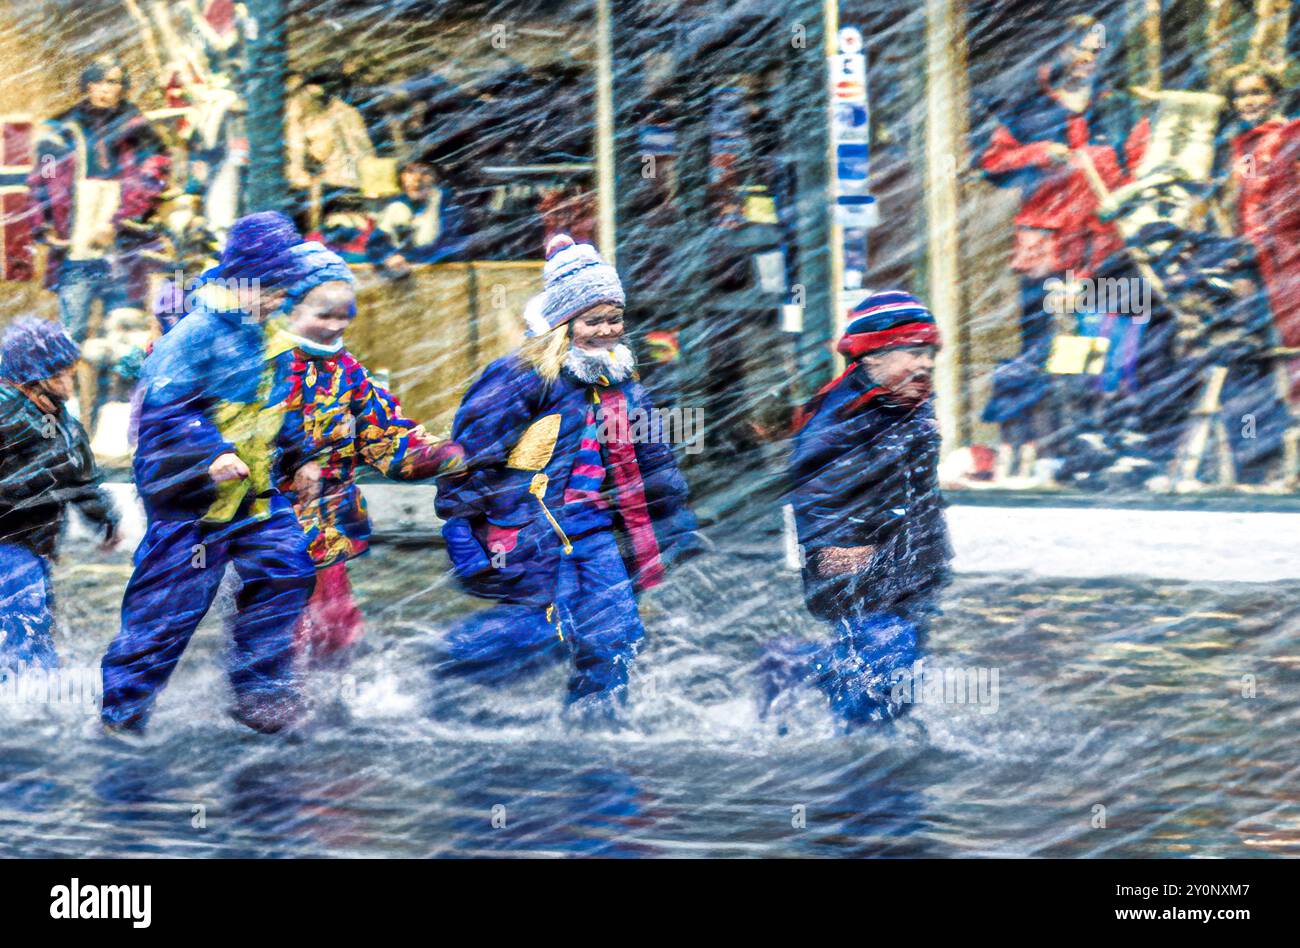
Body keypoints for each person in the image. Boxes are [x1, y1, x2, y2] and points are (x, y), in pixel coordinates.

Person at [434, 234, 700, 707]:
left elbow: (652, 458)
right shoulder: (522, 376)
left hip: (595, 528)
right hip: (532, 528)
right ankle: (449, 674)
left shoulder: (622, 382)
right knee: (540, 628)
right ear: (562, 322)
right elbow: (473, 454)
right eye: (592, 320)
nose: (606, 331)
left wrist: (674, 519)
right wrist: (468, 525)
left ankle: (596, 716)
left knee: (615, 629)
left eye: (614, 319)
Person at [100, 211, 322, 734]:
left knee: (287, 571)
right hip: (192, 505)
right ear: (240, 280)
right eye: (270, 288)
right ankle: (123, 713)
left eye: (283, 289)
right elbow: (163, 409)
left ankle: (261, 695)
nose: (278, 299)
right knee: (167, 612)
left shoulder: (267, 337)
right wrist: (209, 452)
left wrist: (301, 456)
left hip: (255, 498)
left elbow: (276, 411)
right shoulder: (195, 335)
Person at [266, 244, 465, 665]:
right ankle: (274, 696)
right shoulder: (266, 366)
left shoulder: (348, 371)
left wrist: (438, 455)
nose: (336, 325)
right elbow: (250, 436)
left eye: (344, 314)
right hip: (269, 521)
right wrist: (291, 461)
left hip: (329, 522)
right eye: (323, 314)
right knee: (281, 621)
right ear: (288, 308)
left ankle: (324, 699)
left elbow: (383, 434)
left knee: (334, 624)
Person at [770, 291, 953, 729]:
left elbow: (920, 489)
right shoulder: (841, 417)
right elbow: (815, 491)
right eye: (911, 352)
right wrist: (834, 545)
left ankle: (803, 673)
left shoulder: (911, 405)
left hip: (911, 557)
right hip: (856, 557)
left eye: (928, 352)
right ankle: (861, 748)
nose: (925, 364)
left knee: (902, 665)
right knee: (883, 657)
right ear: (872, 357)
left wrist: (930, 551)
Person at [975, 14, 1149, 469]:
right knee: (1055, 342)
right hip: (1049, 250)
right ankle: (1061, 442)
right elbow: (992, 162)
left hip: (1112, 245)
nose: (1088, 57)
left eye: (1095, 48)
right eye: (1080, 47)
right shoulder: (1030, 107)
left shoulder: (1119, 106)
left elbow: (1144, 165)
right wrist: (1038, 154)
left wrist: (1126, 196)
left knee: (1116, 339)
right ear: (1059, 49)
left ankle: (1113, 432)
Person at [0, 319, 119, 679]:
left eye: (70, 375)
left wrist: (103, 519)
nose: (69, 387)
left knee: (33, 614)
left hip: (34, 541)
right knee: (24, 617)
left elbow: (77, 474)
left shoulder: (57, 416)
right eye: (59, 378)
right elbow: (68, 471)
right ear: (28, 380)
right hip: (10, 540)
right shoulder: (11, 415)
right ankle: (28, 694)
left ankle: (33, 687)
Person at [26, 55, 169, 347]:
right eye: (97, 81)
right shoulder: (61, 130)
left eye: (113, 82)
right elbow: (44, 179)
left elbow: (152, 177)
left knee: (125, 333)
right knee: (72, 334)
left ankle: (120, 393)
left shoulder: (138, 130)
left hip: (123, 250)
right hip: (75, 249)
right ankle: (71, 393)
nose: (105, 89)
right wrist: (45, 225)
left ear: (122, 87)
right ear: (86, 86)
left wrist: (120, 220)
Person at [1220, 64, 1300, 401]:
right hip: (1252, 252)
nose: (1248, 101)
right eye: (1240, 95)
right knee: (1258, 336)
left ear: (1273, 96)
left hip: (1287, 249)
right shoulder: (1239, 146)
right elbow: (1242, 201)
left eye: (1256, 92)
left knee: (1292, 330)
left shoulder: (1290, 135)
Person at [366, 160, 468, 276]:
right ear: (402, 177)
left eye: (425, 173)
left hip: (442, 274)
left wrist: (407, 257)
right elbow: (376, 243)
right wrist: (388, 256)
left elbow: (448, 247)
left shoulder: (448, 204)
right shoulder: (398, 204)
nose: (417, 179)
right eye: (410, 172)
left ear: (437, 177)